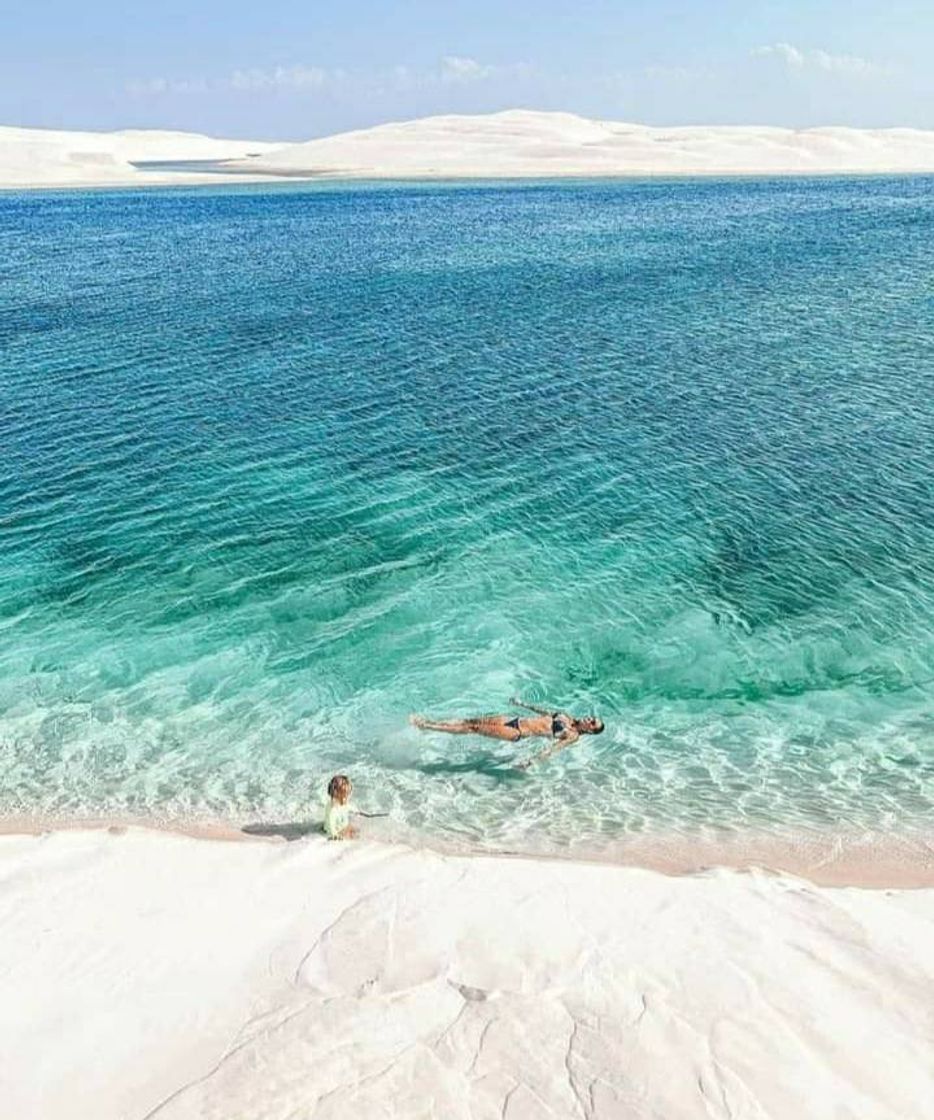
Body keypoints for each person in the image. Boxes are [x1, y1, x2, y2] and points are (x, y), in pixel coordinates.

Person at [410, 697, 604, 768]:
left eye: (592, 722)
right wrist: (521, 704)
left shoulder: (572, 735)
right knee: (472, 721)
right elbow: (543, 712)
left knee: (472, 728)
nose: (589, 718)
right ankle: (430, 725)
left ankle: (427, 726)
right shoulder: (567, 717)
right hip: (514, 720)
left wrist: (530, 762)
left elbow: (553, 749)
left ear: (590, 730)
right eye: (592, 718)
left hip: (517, 732)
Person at [323, 774, 358, 840]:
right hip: (337, 831)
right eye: (345, 796)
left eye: (348, 795)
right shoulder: (332, 809)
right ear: (336, 795)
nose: (347, 798)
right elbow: (331, 824)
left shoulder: (342, 803)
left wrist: (356, 811)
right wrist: (335, 835)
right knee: (354, 836)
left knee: (357, 831)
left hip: (342, 826)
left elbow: (349, 807)